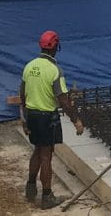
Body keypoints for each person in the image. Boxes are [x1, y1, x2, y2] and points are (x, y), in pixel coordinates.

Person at [19, 30, 84, 208]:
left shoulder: (29, 66)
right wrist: (76, 120)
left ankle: (30, 188)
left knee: (37, 150)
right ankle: (47, 196)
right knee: (46, 155)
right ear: (54, 47)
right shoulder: (55, 70)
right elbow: (63, 100)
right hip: (46, 117)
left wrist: (24, 119)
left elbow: (22, 95)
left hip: (31, 115)